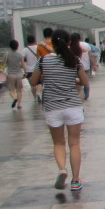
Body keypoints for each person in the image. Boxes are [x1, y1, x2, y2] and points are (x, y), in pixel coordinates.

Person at [31, 28, 87, 191]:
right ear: (69, 42)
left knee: (58, 143)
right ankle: (75, 181)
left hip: (52, 107)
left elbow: (34, 82)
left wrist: (47, 77)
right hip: (73, 106)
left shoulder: (42, 61)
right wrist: (73, 78)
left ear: (52, 43)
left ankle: (62, 169)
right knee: (74, 143)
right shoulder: (75, 60)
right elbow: (84, 82)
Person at [70, 33, 97, 101]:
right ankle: (86, 96)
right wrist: (93, 65)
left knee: (77, 83)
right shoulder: (85, 45)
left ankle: (78, 96)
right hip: (85, 67)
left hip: (74, 67)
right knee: (86, 82)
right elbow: (91, 56)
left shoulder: (69, 45)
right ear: (79, 38)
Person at [2, 39, 26, 109]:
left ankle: (15, 98)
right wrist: (25, 72)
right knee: (19, 90)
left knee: (11, 90)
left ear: (10, 46)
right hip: (19, 74)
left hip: (11, 75)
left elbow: (2, 63)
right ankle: (19, 105)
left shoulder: (7, 54)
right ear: (17, 46)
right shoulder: (20, 55)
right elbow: (23, 65)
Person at [23, 35, 41, 102]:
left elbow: (23, 59)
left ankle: (35, 98)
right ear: (34, 40)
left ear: (27, 41)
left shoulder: (25, 50)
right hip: (38, 69)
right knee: (39, 83)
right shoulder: (38, 48)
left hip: (29, 70)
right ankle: (38, 93)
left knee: (32, 84)